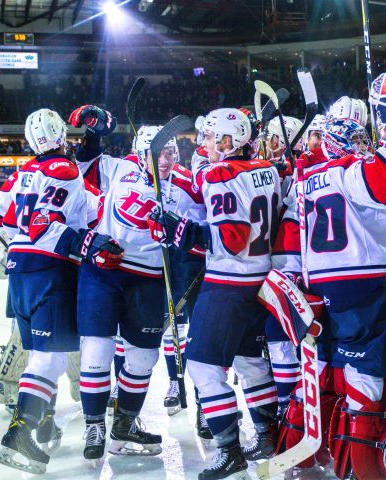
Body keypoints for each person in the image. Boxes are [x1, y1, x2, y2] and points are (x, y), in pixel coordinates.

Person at [273, 67, 386, 479]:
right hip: (365, 285)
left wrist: (295, 282)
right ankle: (366, 464)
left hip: (319, 287)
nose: (363, 144)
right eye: (358, 138)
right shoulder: (355, 171)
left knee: (326, 374)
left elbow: (293, 237)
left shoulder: (306, 179)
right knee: (368, 379)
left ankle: (304, 455)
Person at [70, 104, 205, 462]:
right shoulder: (121, 167)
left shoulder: (188, 186)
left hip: (148, 278)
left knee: (144, 356)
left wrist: (183, 235)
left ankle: (125, 423)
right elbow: (83, 162)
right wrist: (93, 133)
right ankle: (94, 424)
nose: (166, 159)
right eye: (158, 153)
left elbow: (208, 228)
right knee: (98, 347)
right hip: (104, 270)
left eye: (172, 152)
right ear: (141, 152)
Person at [0, 108, 123, 475]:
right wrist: (88, 241)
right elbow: (44, 225)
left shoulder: (19, 174)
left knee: (39, 356)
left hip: (19, 269)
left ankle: (35, 425)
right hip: (49, 268)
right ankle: (21, 432)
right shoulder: (63, 170)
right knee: (49, 359)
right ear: (58, 136)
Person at [154, 107, 281, 480]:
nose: (203, 143)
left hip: (228, 283)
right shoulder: (267, 169)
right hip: (262, 281)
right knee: (249, 362)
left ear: (228, 142)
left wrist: (181, 231)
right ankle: (267, 434)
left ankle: (229, 448)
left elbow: (231, 239)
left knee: (202, 365)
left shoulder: (219, 173)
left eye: (210, 136)